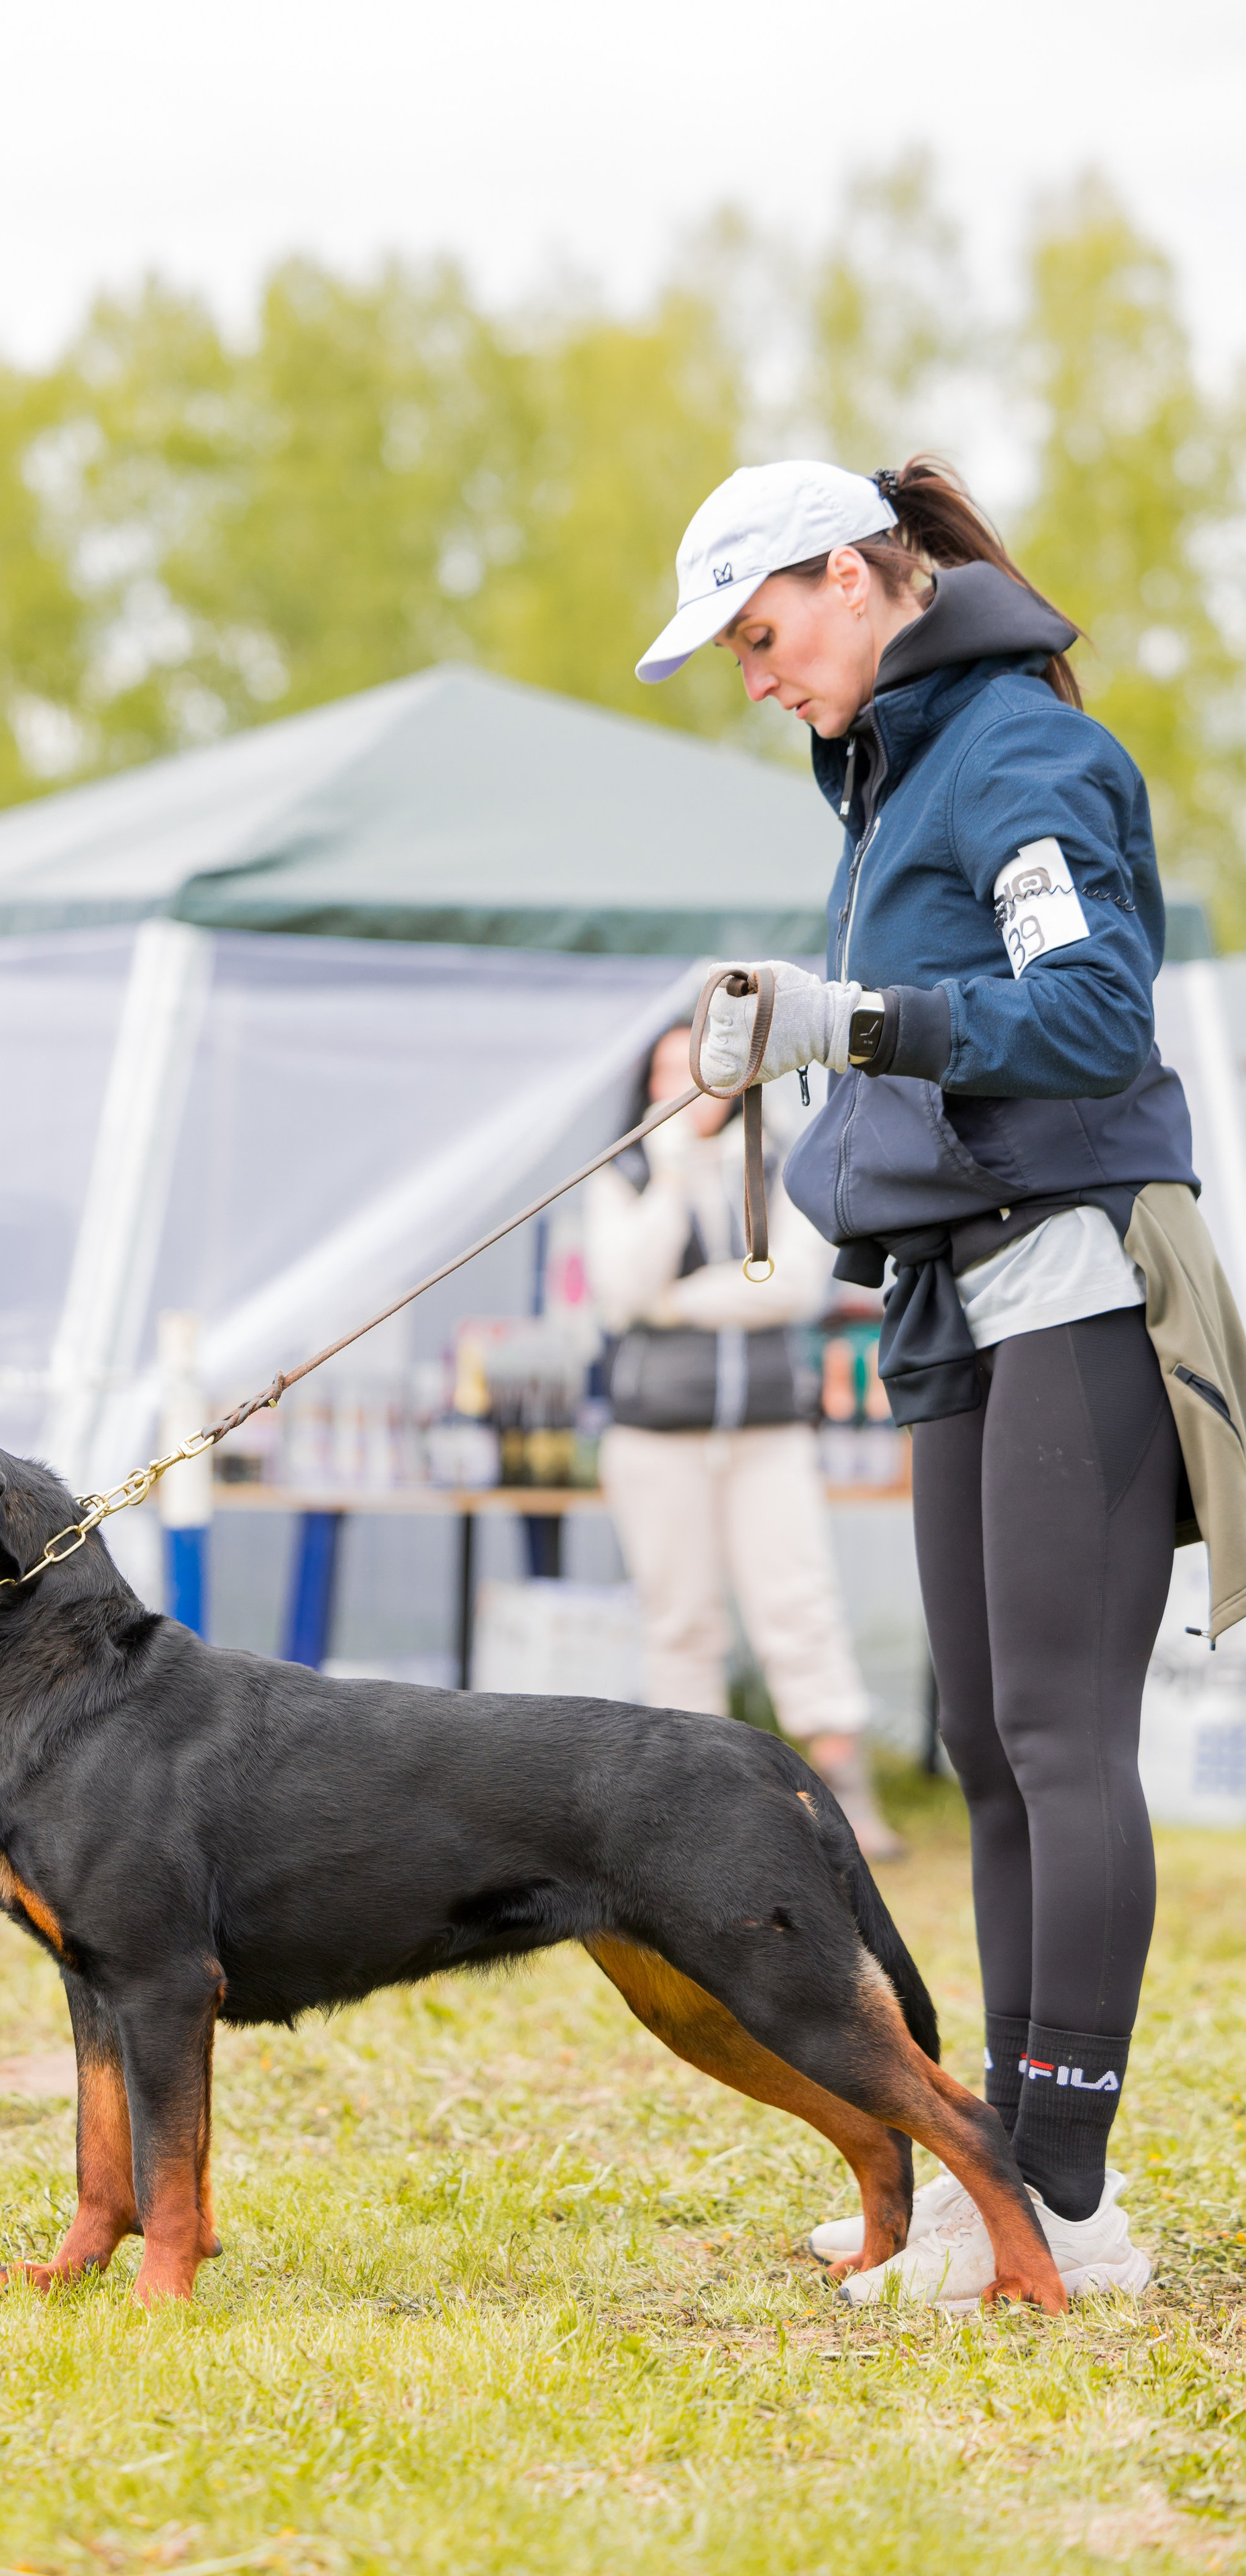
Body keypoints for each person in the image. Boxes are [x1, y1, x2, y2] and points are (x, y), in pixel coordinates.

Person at [634, 453, 1246, 2308]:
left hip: (1079, 1279)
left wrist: (854, 1022)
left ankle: (1065, 2195)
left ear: (853, 579)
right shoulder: (889, 775)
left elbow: (1082, 1014)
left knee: (1063, 1740)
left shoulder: (1025, 754)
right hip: (956, 1293)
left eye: (761, 632)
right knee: (976, 1743)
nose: (755, 676)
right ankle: (1008, 2163)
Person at [584, 1011, 903, 1861]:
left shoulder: (777, 1160)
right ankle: (692, 1814)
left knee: (797, 1606)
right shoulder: (623, 1171)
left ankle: (845, 1805)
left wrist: (675, 1301)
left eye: (691, 1068)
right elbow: (619, 1290)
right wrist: (675, 1177)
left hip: (767, 1432)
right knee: (679, 1619)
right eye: (660, 1074)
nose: (678, 1087)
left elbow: (793, 1285)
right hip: (655, 1437)